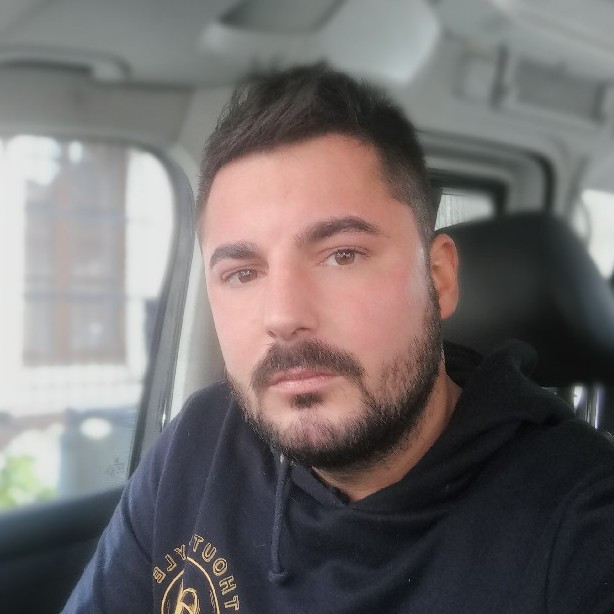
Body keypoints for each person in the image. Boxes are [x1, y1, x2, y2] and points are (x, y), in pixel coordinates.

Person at [62, 64, 614, 614]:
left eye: (342, 255)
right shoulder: (198, 444)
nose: (283, 316)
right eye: (242, 273)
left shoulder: (581, 523)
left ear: (439, 278)